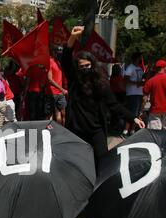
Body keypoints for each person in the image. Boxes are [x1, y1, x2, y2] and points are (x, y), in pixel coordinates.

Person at [62, 26, 145, 168]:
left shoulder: (101, 84)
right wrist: (73, 38)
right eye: (81, 67)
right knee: (76, 165)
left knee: (103, 163)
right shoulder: (74, 80)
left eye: (87, 66)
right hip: (76, 131)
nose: (84, 69)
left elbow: (114, 105)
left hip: (96, 130)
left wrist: (133, 118)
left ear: (93, 65)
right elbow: (65, 58)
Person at [140, 59, 166, 131]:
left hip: (155, 111)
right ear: (165, 68)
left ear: (156, 69)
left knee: (154, 133)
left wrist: (141, 111)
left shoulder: (150, 81)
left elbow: (144, 98)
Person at [123, 52, 144, 137]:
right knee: (132, 112)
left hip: (139, 93)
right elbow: (126, 79)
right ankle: (125, 130)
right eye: (140, 58)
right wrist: (136, 83)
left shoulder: (139, 68)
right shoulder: (130, 68)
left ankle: (132, 130)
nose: (141, 59)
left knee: (137, 112)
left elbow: (142, 78)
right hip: (132, 93)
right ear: (137, 58)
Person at [45, 48, 68, 125]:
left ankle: (63, 132)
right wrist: (62, 89)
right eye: (57, 51)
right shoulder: (49, 62)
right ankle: (47, 132)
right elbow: (50, 80)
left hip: (60, 93)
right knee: (49, 115)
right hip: (52, 93)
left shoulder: (58, 62)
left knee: (62, 114)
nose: (59, 53)